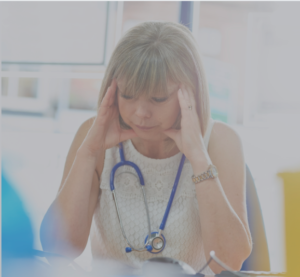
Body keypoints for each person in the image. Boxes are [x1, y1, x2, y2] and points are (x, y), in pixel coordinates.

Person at [40, 22, 252, 274]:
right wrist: (88, 154)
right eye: (128, 95)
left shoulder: (221, 141)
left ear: (191, 93)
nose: (140, 113)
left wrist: (198, 157)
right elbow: (57, 249)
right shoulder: (94, 135)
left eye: (158, 98)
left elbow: (229, 261)